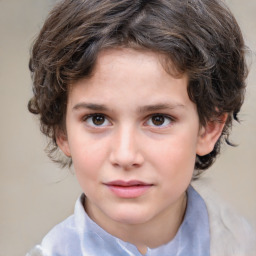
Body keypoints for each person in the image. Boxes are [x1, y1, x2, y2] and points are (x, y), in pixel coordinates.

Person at [26, 0, 256, 255]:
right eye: (97, 119)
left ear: (209, 128)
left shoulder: (241, 245)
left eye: (158, 119)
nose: (125, 156)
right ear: (62, 132)